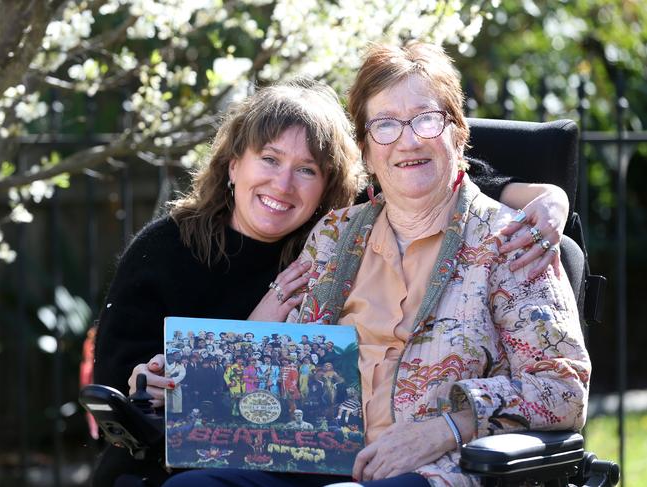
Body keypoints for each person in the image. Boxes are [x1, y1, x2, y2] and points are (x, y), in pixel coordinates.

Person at [96, 78, 570, 486]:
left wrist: (545, 195)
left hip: (385, 459)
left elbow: (430, 177)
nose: (283, 185)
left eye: (307, 170)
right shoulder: (170, 248)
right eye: (269, 160)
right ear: (232, 165)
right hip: (167, 455)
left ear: (331, 185)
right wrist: (155, 378)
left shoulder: (330, 232)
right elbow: (120, 387)